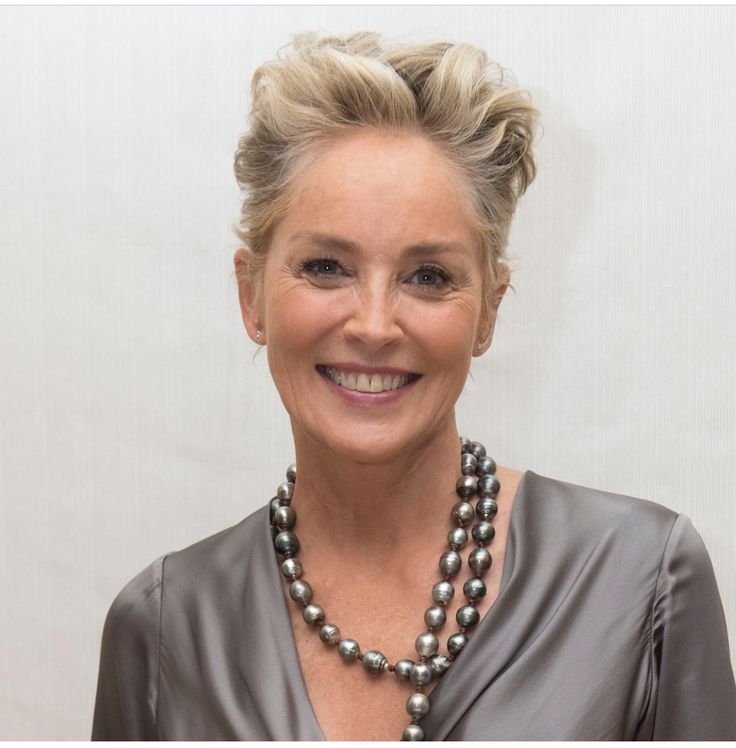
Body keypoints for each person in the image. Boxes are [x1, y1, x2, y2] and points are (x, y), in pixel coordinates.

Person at [91, 31, 736, 741]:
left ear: (488, 309)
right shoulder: (159, 633)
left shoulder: (639, 582)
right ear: (251, 296)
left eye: (428, 276)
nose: (373, 324)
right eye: (327, 267)